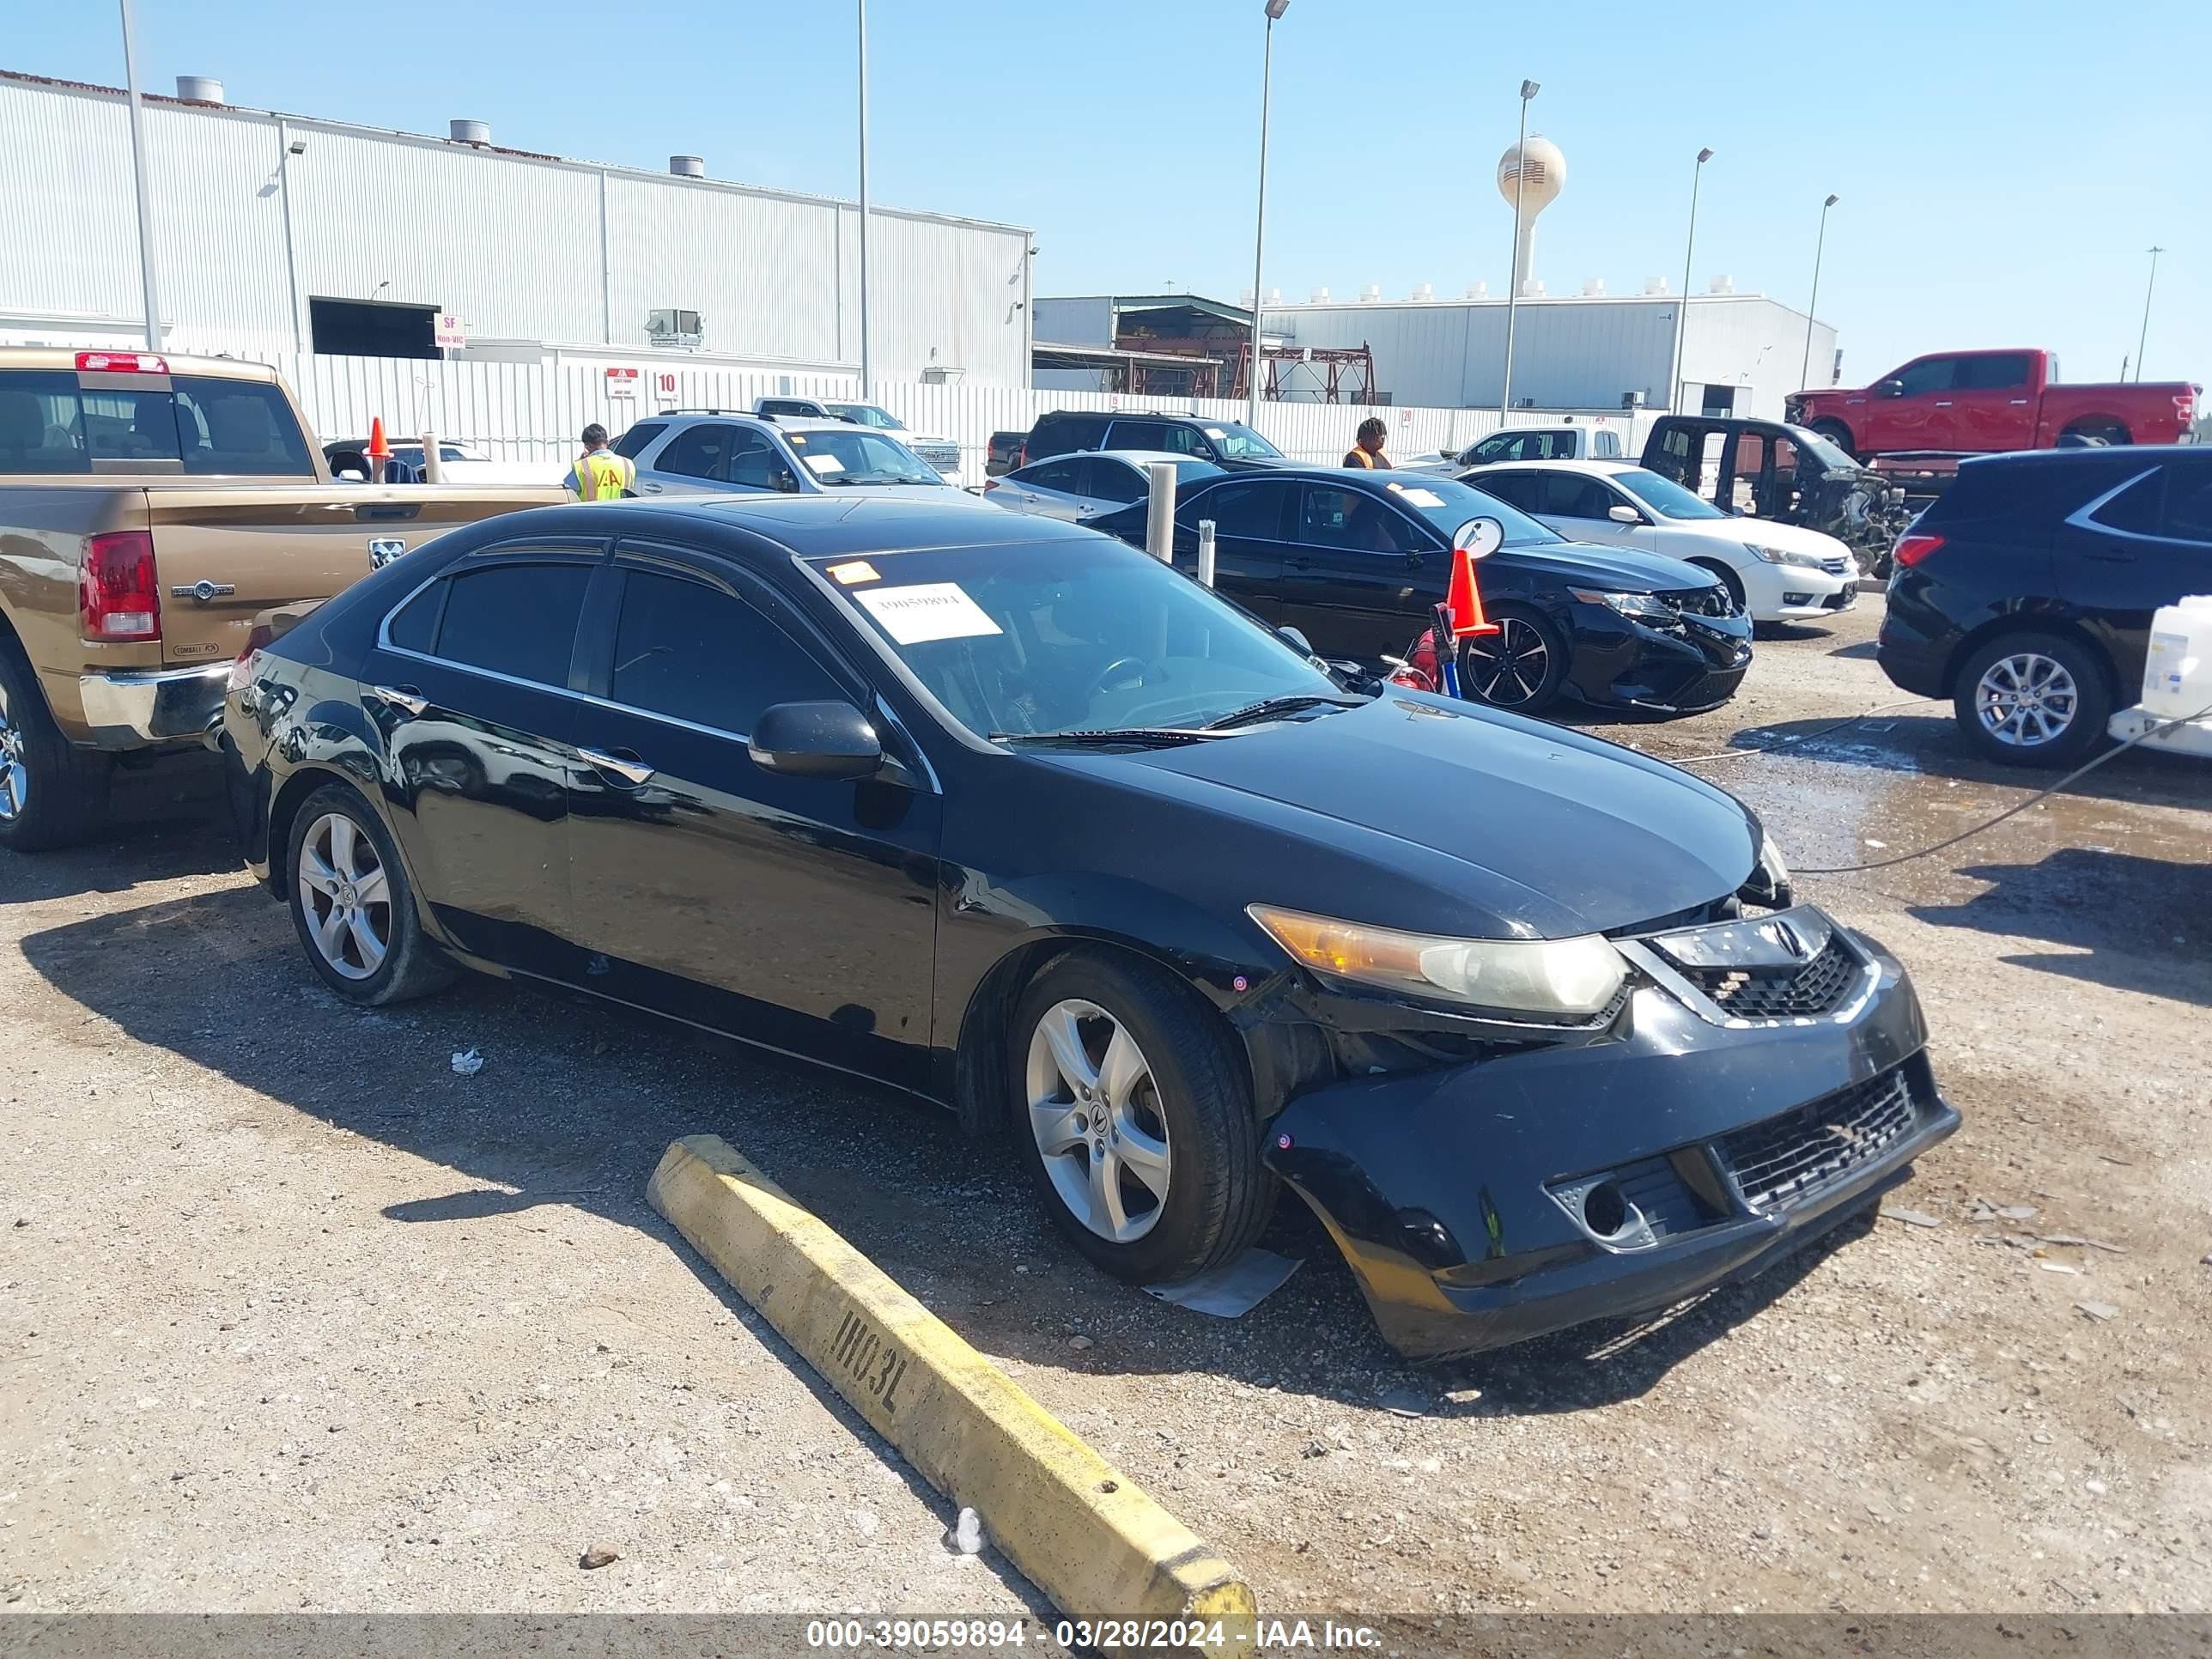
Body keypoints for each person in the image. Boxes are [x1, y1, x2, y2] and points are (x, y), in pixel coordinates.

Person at [565, 424, 635, 500]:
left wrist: (581, 460)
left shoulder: (581, 466)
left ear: (587, 446)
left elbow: (568, 490)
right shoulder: (627, 464)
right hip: (622, 510)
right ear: (607, 442)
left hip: (592, 511)